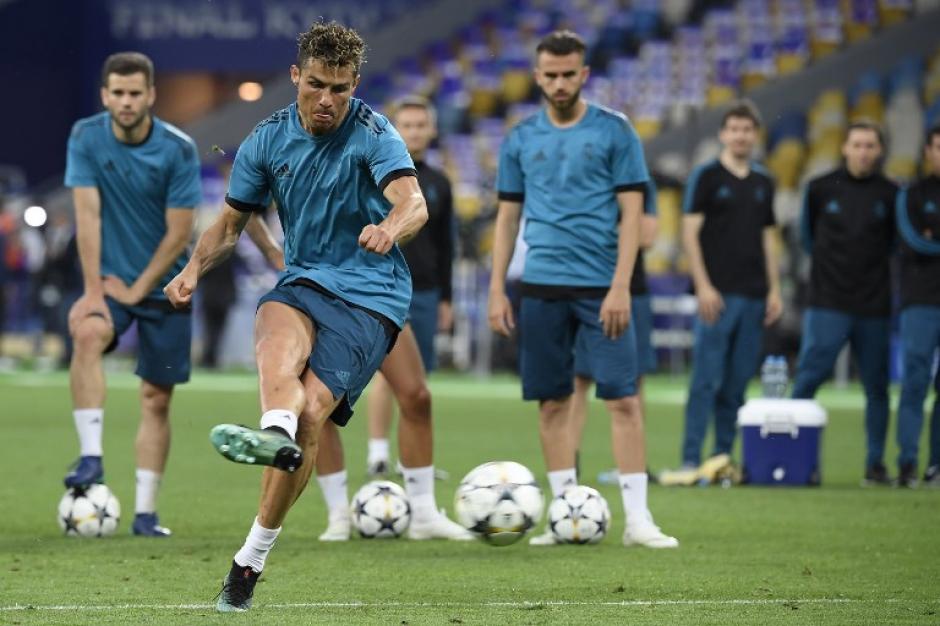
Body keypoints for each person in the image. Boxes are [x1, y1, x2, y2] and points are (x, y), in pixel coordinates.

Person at [163, 22, 429, 612]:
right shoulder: (266, 139)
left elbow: (414, 202)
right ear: (294, 77)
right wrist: (192, 270)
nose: (326, 99)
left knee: (314, 417)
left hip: (371, 296)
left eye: (340, 87)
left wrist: (390, 228)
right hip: (304, 279)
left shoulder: (374, 133)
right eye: (315, 85)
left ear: (355, 84)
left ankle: (250, 559)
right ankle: (275, 433)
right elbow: (230, 224)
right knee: (276, 335)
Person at [488, 30, 677, 549]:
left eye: (568, 74)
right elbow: (507, 219)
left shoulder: (616, 131)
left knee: (623, 400)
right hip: (540, 285)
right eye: (550, 75)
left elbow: (634, 213)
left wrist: (621, 286)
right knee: (552, 403)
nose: (559, 83)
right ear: (537, 76)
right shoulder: (520, 138)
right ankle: (564, 513)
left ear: (584, 74)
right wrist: (497, 289)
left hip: (601, 288)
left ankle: (639, 520)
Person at [62, 52, 202, 537]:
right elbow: (87, 217)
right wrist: (91, 292)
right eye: (117, 93)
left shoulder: (178, 148)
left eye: (134, 93)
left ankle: (145, 514)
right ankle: (91, 457)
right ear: (105, 95)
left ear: (151, 96)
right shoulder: (86, 136)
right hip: (110, 285)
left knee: (156, 399)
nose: (126, 101)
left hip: (167, 287)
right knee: (86, 334)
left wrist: (139, 288)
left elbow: (179, 234)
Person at [676, 100, 782, 472]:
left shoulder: (764, 182)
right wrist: (703, 286)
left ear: (755, 135)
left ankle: (721, 456)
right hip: (716, 296)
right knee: (705, 381)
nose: (740, 136)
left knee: (736, 385)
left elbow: (768, 238)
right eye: (734, 129)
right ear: (723, 134)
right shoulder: (706, 177)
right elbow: (689, 234)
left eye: (747, 130)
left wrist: (774, 289)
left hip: (753, 295)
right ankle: (691, 459)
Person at [793, 121, 898, 485]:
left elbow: (893, 245)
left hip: (873, 305)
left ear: (879, 150)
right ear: (844, 148)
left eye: (870, 145)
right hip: (828, 301)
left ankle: (875, 465)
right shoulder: (819, 189)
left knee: (877, 387)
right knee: (808, 380)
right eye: (857, 145)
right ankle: (798, 461)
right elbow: (807, 239)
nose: (863, 152)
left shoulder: (891, 193)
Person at [364, 96, 455, 477]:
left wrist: (447, 298)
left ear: (431, 130)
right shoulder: (378, 177)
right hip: (386, 286)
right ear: (394, 129)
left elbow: (447, 246)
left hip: (427, 290)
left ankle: (409, 459)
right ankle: (378, 453)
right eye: (408, 125)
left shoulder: (439, 183)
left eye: (420, 125)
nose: (414, 132)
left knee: (418, 380)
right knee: (387, 374)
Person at [569, 180, 658, 483]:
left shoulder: (640, 182)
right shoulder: (585, 177)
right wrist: (623, 231)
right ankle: (569, 463)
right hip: (584, 289)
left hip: (633, 291)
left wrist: (596, 233)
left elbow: (647, 235)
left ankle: (633, 465)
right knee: (577, 379)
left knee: (634, 380)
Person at [894, 124, 940, 488]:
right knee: (915, 382)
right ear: (927, 151)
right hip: (921, 301)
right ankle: (907, 463)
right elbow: (912, 241)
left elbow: (927, 242)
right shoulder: (911, 195)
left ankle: (936, 465)